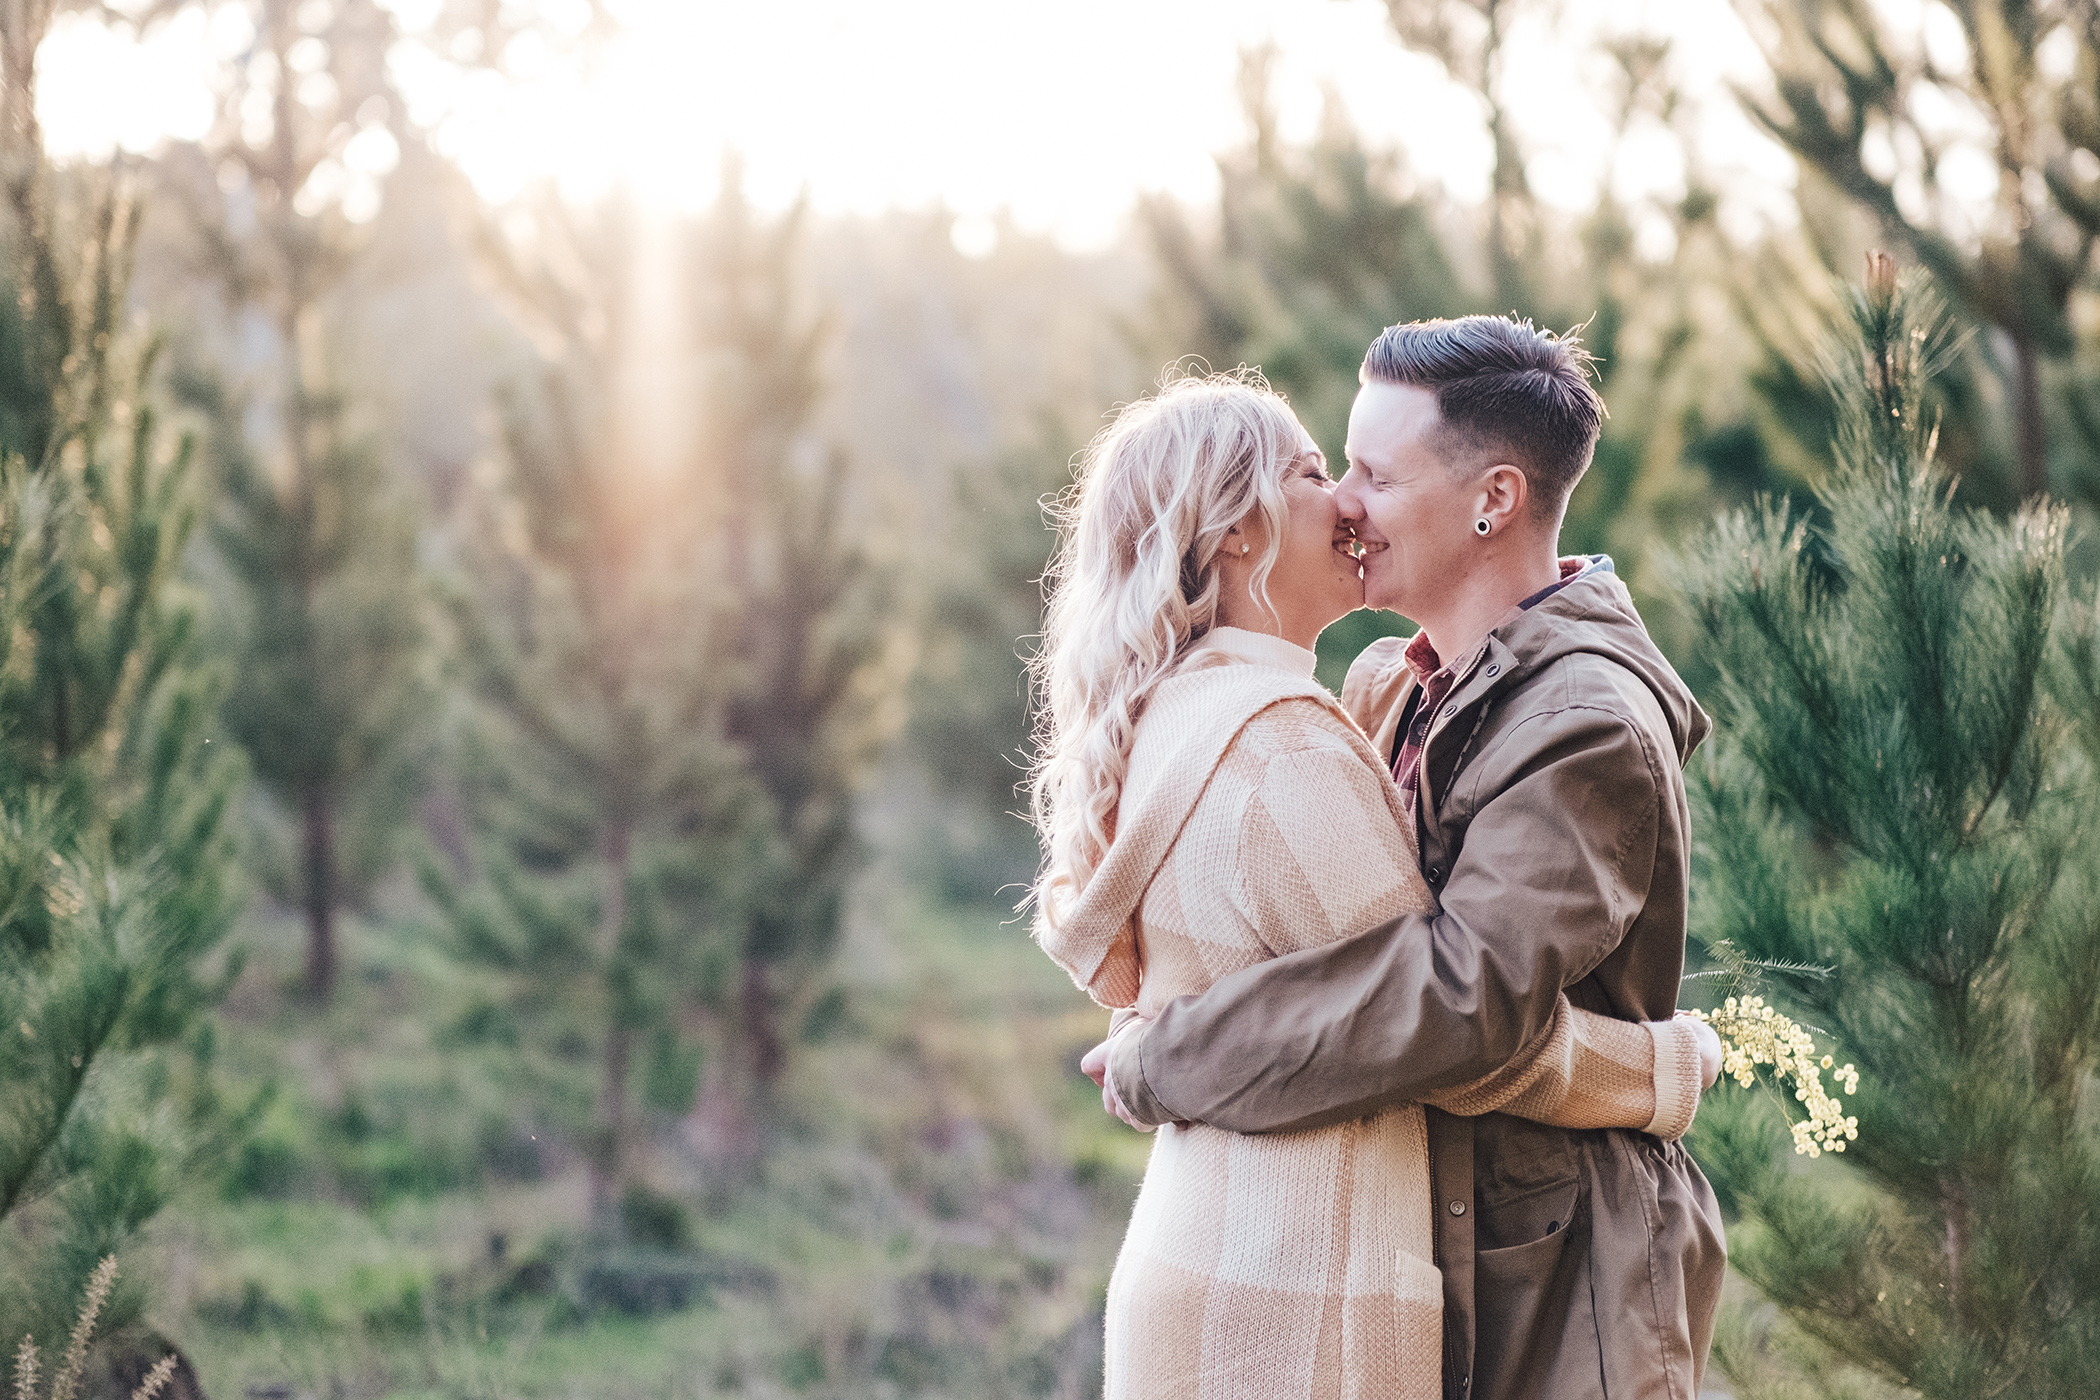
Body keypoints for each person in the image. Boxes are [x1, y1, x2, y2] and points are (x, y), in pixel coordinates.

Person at [1028, 368, 1718, 1400]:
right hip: (1293, 1288)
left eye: (1366, 471)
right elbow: (1451, 1023)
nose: (1345, 500)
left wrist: (1173, 1043)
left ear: (1492, 498)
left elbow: (1425, 1008)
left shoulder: (1191, 707)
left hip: (1255, 1258)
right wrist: (1662, 1067)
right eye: (1324, 469)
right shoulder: (1297, 739)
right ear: (1236, 534)